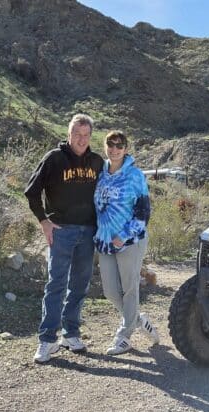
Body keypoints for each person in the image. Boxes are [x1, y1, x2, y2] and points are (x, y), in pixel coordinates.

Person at [24, 114, 104, 363]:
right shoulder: (54, 159)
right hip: (62, 231)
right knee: (56, 284)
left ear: (90, 136)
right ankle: (47, 340)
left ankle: (70, 334)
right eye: (77, 135)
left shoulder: (97, 162)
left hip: (88, 231)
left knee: (79, 285)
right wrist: (44, 221)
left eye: (86, 135)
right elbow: (32, 191)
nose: (81, 139)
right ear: (69, 135)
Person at [93, 131, 159, 355]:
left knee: (130, 289)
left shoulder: (135, 175)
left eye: (119, 145)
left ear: (126, 148)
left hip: (130, 241)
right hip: (105, 241)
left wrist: (125, 235)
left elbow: (143, 212)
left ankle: (124, 336)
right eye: (110, 144)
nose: (114, 149)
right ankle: (138, 320)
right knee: (111, 291)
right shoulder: (100, 173)